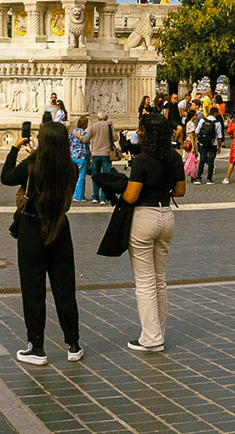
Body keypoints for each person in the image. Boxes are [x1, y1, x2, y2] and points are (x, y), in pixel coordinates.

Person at [1, 121, 82, 365]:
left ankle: (36, 346)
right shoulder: (71, 168)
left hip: (32, 229)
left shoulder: (32, 165)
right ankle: (73, 344)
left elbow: (6, 178)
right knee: (65, 289)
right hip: (59, 228)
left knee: (33, 289)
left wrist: (15, 149)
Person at [120, 113, 186, 353]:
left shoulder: (142, 160)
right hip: (166, 216)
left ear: (146, 133)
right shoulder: (175, 158)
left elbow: (130, 196)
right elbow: (180, 191)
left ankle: (151, 337)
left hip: (144, 218)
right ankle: (158, 332)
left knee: (145, 281)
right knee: (160, 279)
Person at [82, 110, 116, 203]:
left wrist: (79, 136)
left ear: (98, 118)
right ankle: (103, 198)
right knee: (106, 176)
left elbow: (85, 139)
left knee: (95, 175)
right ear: (107, 117)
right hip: (106, 154)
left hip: (96, 154)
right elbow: (115, 138)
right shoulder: (109, 126)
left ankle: (95, 196)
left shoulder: (93, 126)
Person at [195, 107, 223, 184]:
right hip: (212, 143)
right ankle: (209, 179)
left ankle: (198, 178)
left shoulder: (203, 120)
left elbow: (197, 131)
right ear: (215, 113)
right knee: (211, 161)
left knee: (202, 160)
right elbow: (219, 136)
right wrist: (219, 146)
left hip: (202, 143)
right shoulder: (217, 123)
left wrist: (200, 140)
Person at [69, 116, 90, 202]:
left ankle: (73, 194)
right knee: (81, 177)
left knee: (74, 176)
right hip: (81, 156)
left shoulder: (73, 132)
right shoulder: (84, 134)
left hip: (73, 156)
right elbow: (87, 144)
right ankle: (79, 196)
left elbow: (69, 141)